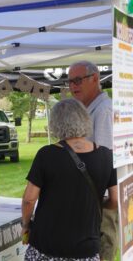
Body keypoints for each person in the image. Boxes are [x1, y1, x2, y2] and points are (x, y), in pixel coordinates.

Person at [22, 99, 117, 260]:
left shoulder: (47, 154)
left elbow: (29, 199)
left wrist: (25, 225)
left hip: (46, 246)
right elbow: (114, 200)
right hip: (86, 248)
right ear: (85, 120)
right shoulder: (107, 156)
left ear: (55, 123)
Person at [68, 61, 118, 261]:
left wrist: (98, 199)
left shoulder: (104, 110)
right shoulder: (90, 109)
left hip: (101, 199)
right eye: (70, 81)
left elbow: (104, 159)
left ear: (95, 78)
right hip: (92, 196)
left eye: (78, 80)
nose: (73, 86)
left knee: (103, 247)